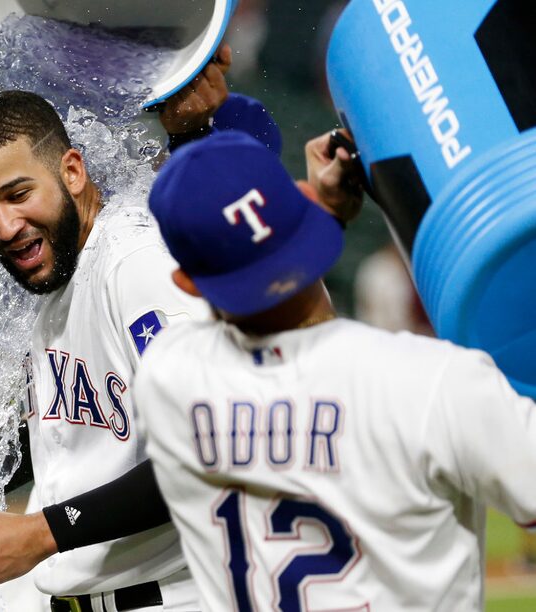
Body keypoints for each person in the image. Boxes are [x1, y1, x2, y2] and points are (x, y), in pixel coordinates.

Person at [0, 57, 362, 609]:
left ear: (72, 171)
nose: (3, 224)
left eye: (18, 194)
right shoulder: (63, 272)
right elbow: (99, 432)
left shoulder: (133, 262)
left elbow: (218, 444)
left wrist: (42, 533)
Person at [134, 130, 536, 611]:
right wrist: (317, 211)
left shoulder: (165, 376)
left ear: (187, 283)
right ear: (302, 203)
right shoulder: (438, 383)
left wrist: (313, 216)